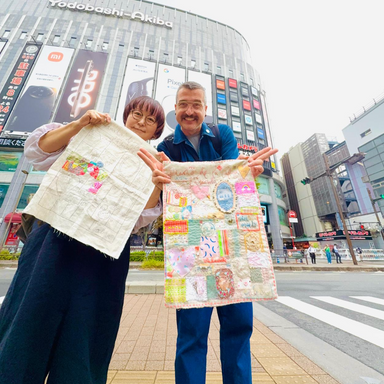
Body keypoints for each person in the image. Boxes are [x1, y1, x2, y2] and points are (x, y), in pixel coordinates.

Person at [0, 96, 165, 384]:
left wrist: (156, 182)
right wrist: (78, 125)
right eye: (136, 113)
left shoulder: (155, 162)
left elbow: (142, 217)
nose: (141, 121)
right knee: (27, 322)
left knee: (85, 336)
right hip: (52, 243)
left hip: (105, 256)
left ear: (156, 131)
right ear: (125, 115)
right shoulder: (93, 131)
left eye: (150, 119)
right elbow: (37, 150)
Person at [138, 81, 278, 384]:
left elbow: (235, 177)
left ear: (205, 109)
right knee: (191, 334)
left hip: (234, 247)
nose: (190, 111)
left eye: (196, 104)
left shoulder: (222, 135)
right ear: (175, 109)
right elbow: (172, 196)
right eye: (184, 104)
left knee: (239, 328)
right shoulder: (165, 149)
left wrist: (247, 173)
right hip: (189, 252)